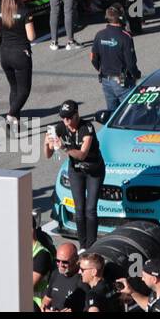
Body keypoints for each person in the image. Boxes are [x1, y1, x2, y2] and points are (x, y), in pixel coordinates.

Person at [46, 100, 105, 249]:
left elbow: (83, 154)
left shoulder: (87, 128)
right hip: (76, 171)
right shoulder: (61, 127)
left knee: (90, 209)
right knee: (79, 210)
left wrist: (65, 148)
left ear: (76, 115)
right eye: (63, 118)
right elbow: (48, 155)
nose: (65, 121)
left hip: (93, 170)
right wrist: (47, 143)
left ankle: (92, 245)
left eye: (68, 118)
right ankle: (83, 245)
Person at [0, 0, 35, 128]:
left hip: (5, 53)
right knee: (24, 90)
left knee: (14, 88)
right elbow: (31, 37)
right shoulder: (25, 11)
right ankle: (11, 114)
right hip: (20, 54)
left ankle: (14, 123)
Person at [90, 5, 138, 112]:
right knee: (132, 112)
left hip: (105, 80)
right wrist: (136, 75)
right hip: (121, 80)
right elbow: (130, 63)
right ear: (121, 18)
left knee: (113, 114)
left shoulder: (99, 35)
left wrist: (102, 70)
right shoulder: (125, 37)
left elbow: (93, 58)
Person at [41, 242, 86, 312]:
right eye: (57, 261)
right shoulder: (55, 273)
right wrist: (44, 307)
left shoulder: (83, 279)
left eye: (65, 262)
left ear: (76, 259)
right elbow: (47, 298)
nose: (60, 265)